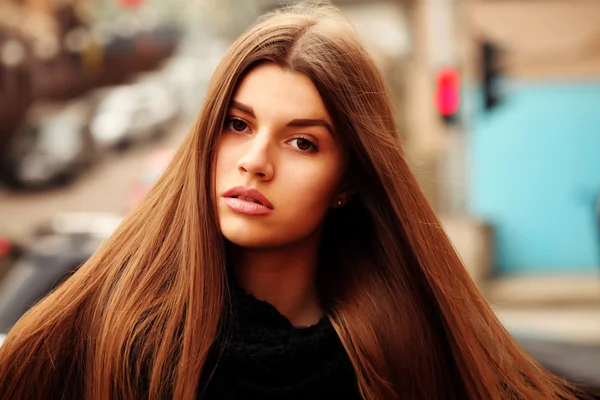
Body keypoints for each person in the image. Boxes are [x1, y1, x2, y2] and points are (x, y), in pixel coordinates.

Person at [0, 2, 593, 399]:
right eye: (237, 124)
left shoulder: (398, 352)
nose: (256, 160)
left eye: (303, 142)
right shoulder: (116, 334)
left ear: (348, 180)